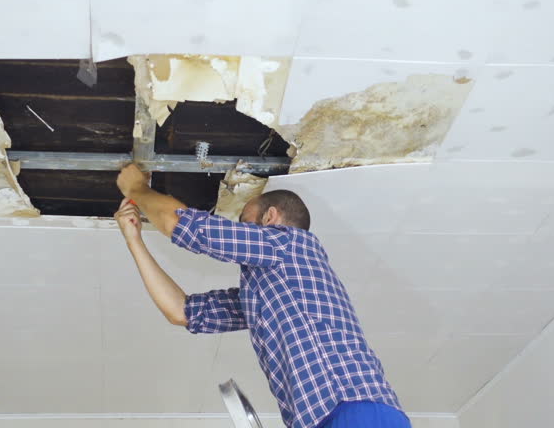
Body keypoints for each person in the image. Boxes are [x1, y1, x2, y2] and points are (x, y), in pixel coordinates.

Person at [114, 164, 410, 428]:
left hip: (353, 407)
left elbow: (188, 228)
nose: (240, 233)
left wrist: (136, 188)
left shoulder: (290, 245)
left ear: (270, 217)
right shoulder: (268, 293)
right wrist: (134, 241)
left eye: (244, 221)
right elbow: (182, 312)